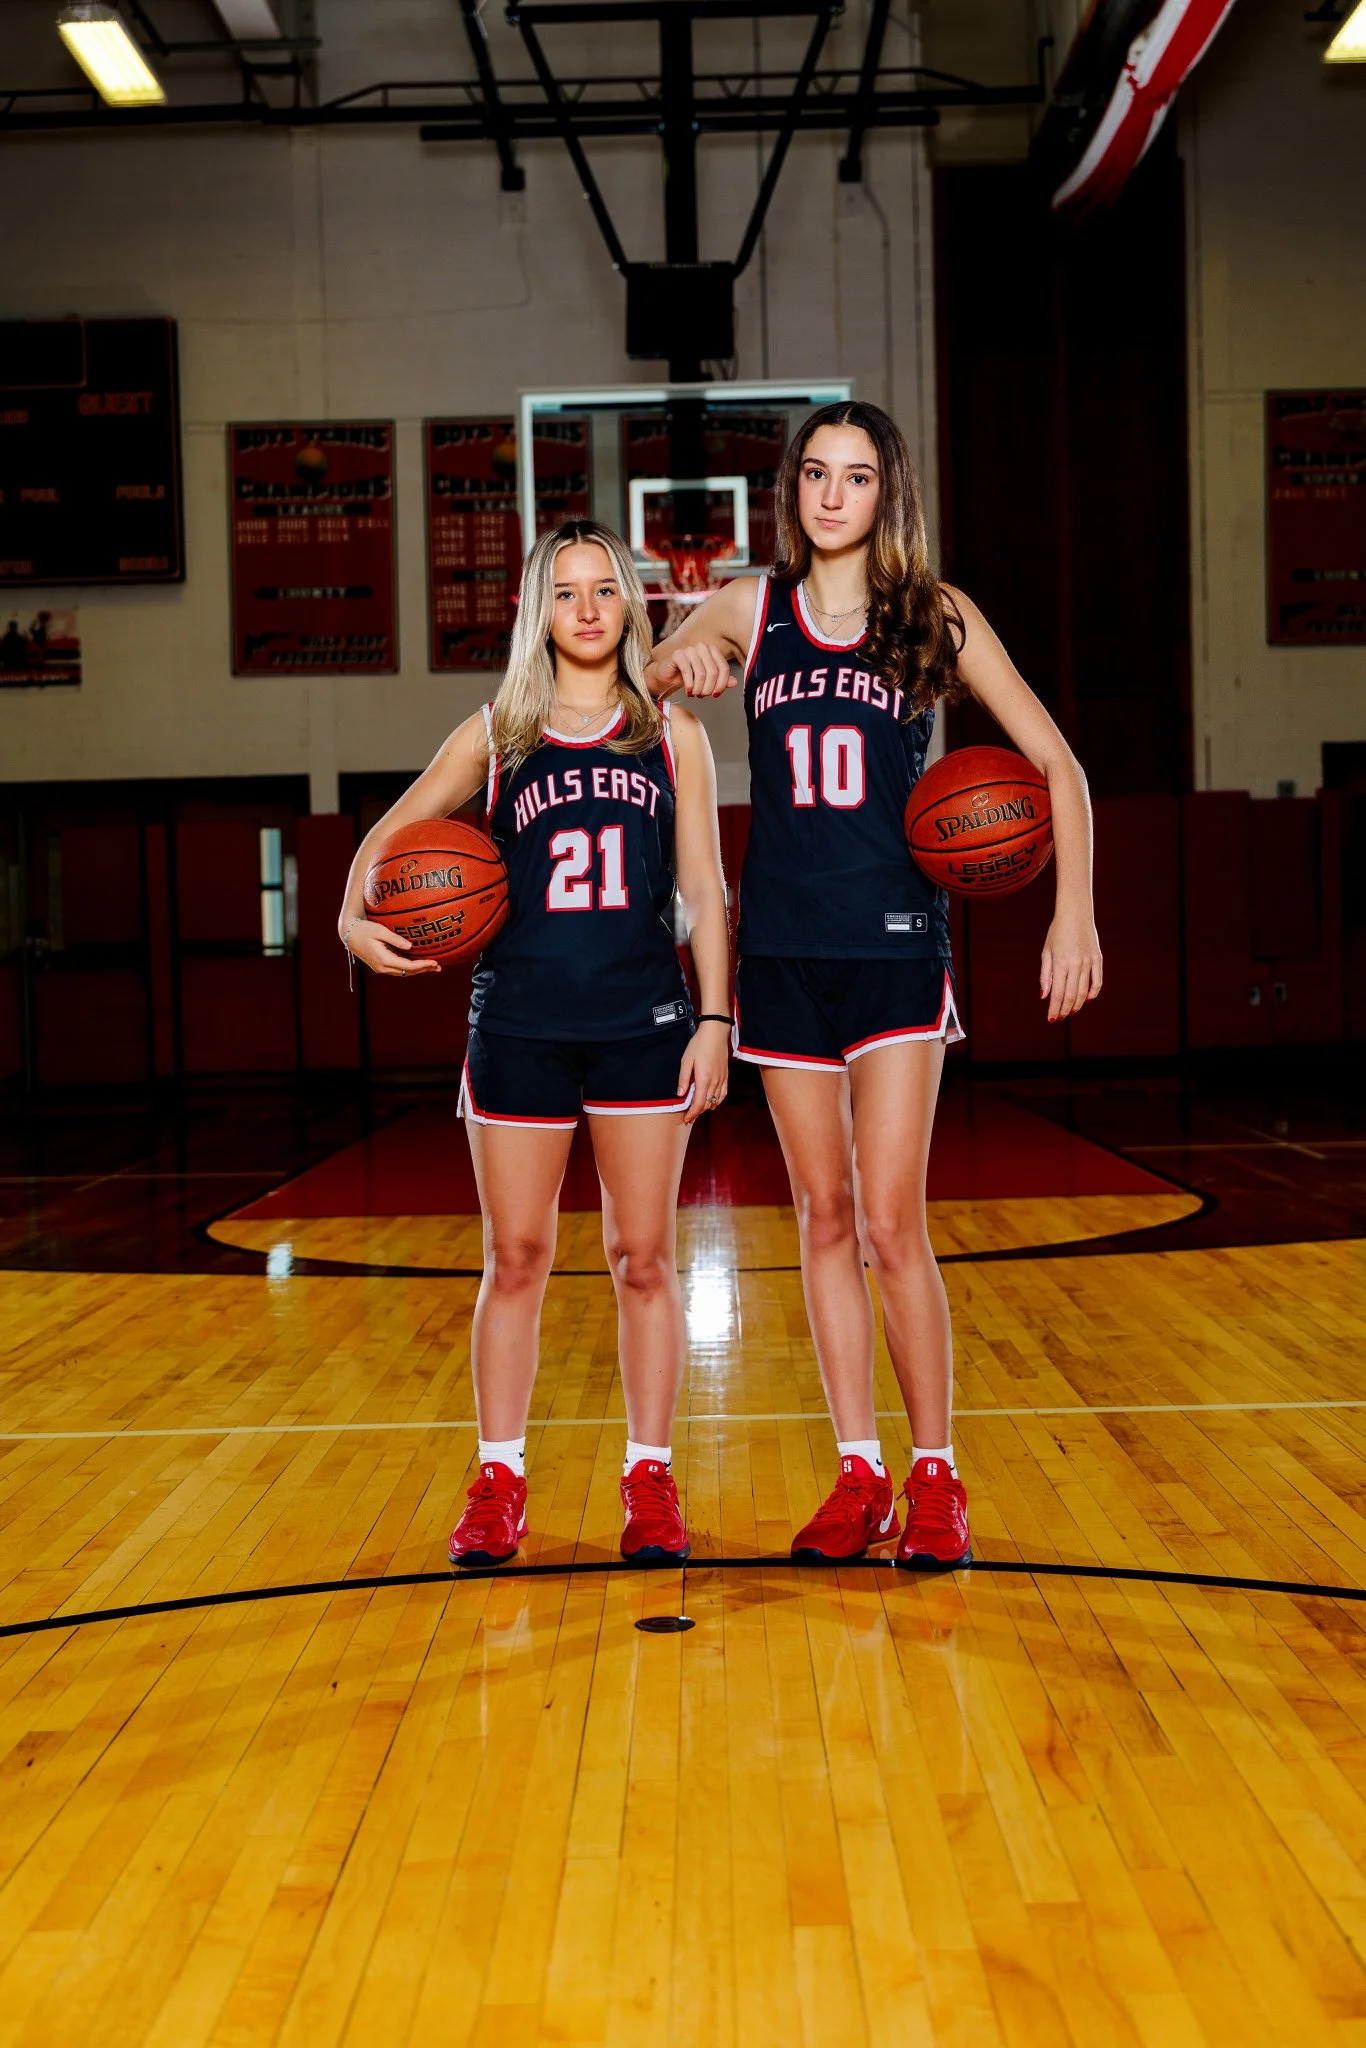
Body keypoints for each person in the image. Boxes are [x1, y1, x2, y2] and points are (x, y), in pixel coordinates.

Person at [644, 400, 1103, 1570]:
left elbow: (1057, 763)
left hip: (897, 946)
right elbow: (659, 662)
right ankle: (858, 1470)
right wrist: (681, 654)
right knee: (823, 1218)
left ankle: (935, 1474)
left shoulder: (931, 616)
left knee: (892, 1220)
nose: (832, 494)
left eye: (855, 476)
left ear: (886, 493)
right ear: (793, 489)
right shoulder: (754, 604)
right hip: (783, 958)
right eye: (815, 473)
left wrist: (1073, 910)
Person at [339, 520, 731, 1568]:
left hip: (644, 1025)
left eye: (606, 589)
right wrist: (346, 910)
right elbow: (389, 833)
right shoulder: (498, 731)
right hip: (517, 1024)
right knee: (514, 1258)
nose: (590, 608)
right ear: (539, 612)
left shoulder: (670, 734)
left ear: (631, 604)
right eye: (567, 593)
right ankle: (499, 1477)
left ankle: (649, 1476)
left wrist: (717, 1019)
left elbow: (703, 888)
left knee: (642, 1259)